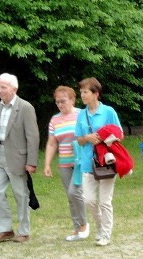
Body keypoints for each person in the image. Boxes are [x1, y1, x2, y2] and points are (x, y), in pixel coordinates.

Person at [0, 73, 39, 243]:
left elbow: (33, 136)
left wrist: (31, 161)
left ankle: (23, 231)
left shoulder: (25, 107)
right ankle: (4, 229)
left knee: (21, 194)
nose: (0, 90)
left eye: (4, 87)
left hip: (17, 158)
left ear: (14, 89)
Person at [75, 77, 122, 246]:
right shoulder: (81, 114)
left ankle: (106, 234)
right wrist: (87, 137)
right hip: (88, 163)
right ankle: (100, 226)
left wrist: (102, 138)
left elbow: (120, 135)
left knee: (104, 201)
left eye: (85, 92)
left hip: (107, 162)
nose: (82, 95)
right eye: (81, 92)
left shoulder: (109, 112)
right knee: (88, 200)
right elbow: (78, 140)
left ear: (95, 94)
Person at [43, 86, 89, 241]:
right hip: (64, 163)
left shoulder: (81, 114)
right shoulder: (54, 120)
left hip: (80, 162)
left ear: (72, 100)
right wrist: (47, 164)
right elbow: (51, 143)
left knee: (74, 192)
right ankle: (77, 228)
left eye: (63, 101)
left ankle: (84, 224)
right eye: (57, 102)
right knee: (70, 197)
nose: (60, 105)